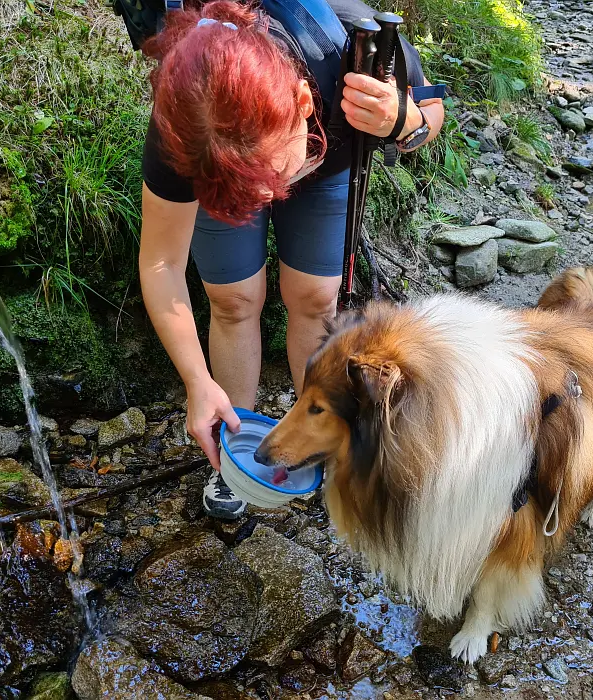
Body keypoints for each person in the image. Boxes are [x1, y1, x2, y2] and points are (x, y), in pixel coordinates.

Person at [138, 0, 444, 519]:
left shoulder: (350, 40)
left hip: (330, 163)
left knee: (315, 297)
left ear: (305, 102)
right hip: (249, 157)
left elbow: (433, 111)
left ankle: (313, 447)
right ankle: (235, 452)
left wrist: (403, 121)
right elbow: (161, 263)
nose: (264, 199)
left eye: (267, 179)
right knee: (232, 299)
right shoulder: (186, 128)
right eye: (243, 191)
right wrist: (195, 380)